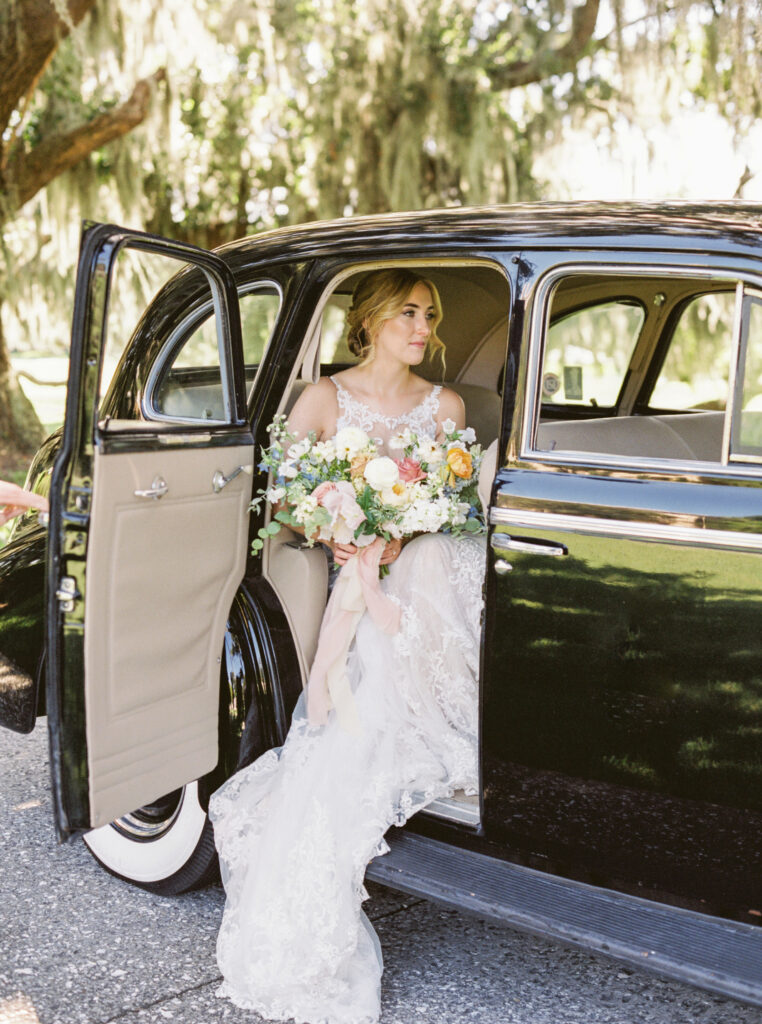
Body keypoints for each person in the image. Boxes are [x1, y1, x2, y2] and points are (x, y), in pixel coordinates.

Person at [209, 268, 486, 1024]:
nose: (423, 327)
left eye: (430, 314)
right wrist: (347, 526)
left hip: (417, 574)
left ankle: (447, 711)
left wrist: (407, 526)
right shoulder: (324, 400)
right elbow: (285, 498)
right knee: (399, 586)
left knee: (436, 557)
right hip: (358, 575)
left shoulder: (448, 405)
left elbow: (458, 509)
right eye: (407, 312)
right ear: (369, 320)